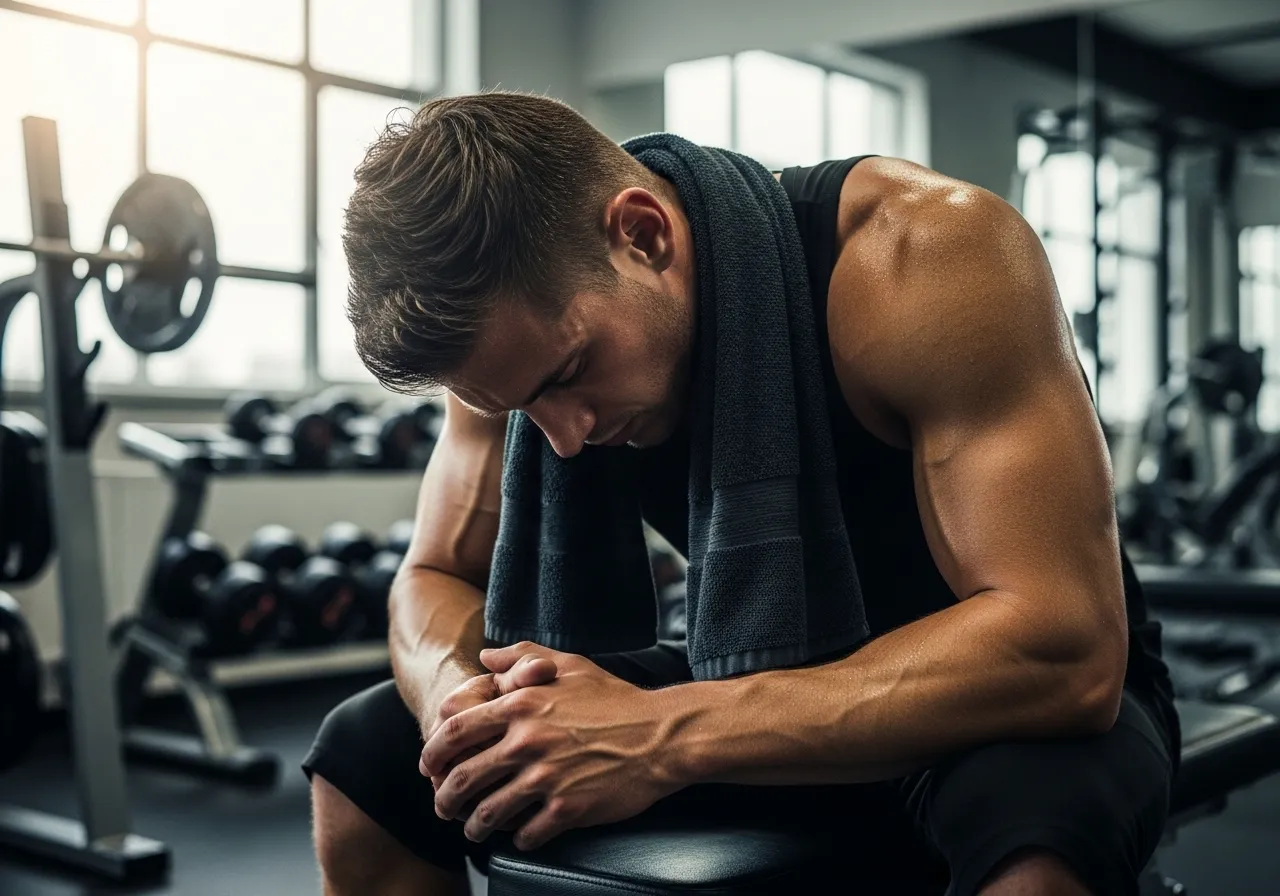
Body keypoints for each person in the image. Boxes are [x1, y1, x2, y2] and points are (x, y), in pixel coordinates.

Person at [304, 91, 1178, 896]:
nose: (562, 437)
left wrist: (656, 734)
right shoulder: (507, 353)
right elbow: (431, 579)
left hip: (995, 700)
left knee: (1035, 844)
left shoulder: (921, 257)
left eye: (572, 374)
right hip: (761, 659)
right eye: (523, 406)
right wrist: (464, 711)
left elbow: (1062, 647)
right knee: (368, 755)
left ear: (643, 236)